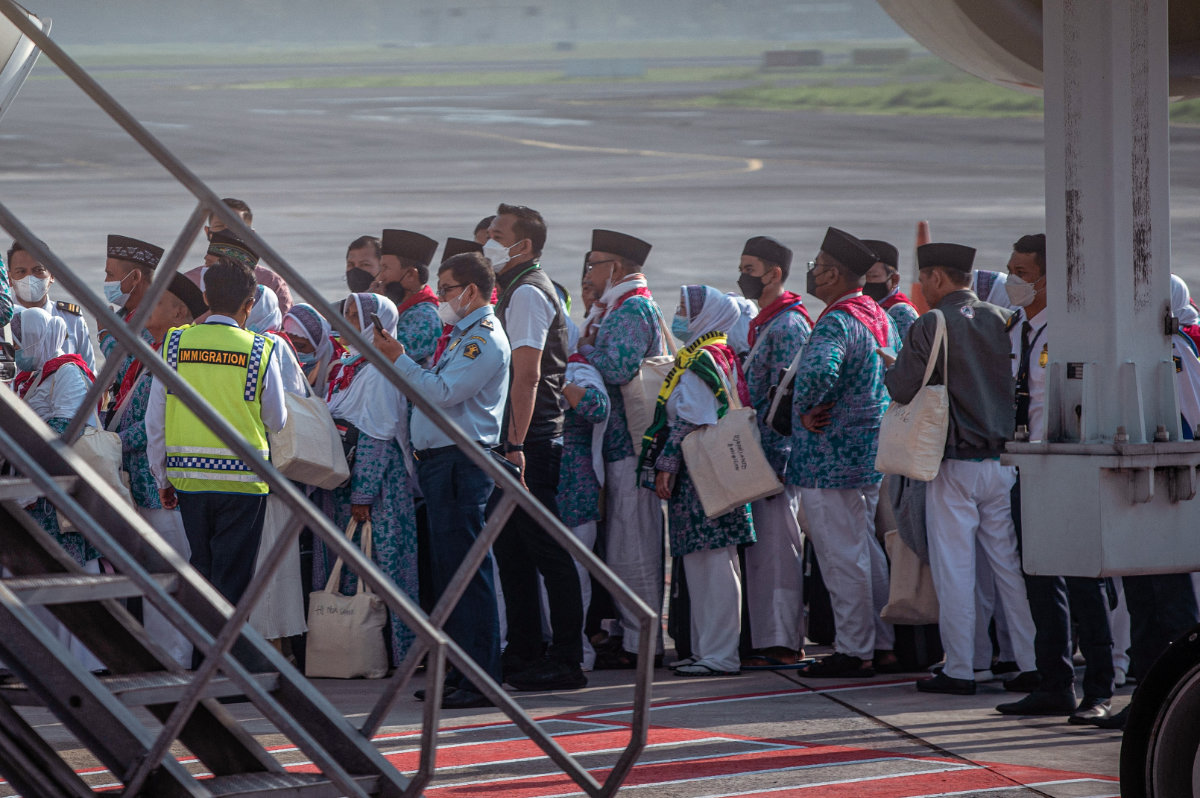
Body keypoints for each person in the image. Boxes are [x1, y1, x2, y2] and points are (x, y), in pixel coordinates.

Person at [882, 242, 1038, 696]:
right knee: (1008, 568)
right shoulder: (1003, 317)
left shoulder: (932, 322)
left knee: (955, 571)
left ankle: (963, 668)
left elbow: (902, 387)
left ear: (935, 277)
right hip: (1002, 462)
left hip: (954, 465)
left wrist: (893, 366)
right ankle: (1028, 662)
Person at [373, 251, 510, 710]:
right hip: (442, 463)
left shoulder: (483, 340)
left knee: (468, 574)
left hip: (460, 462)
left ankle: (481, 679)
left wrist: (399, 359)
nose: (444, 298)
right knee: (452, 574)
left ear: (472, 291)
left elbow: (442, 392)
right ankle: (462, 671)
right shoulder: (464, 335)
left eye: (449, 289)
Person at [995, 233, 1117, 723]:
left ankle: (1100, 689)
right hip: (1030, 465)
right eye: (1011, 270)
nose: (1012, 281)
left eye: (1022, 273)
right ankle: (1053, 682)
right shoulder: (1015, 330)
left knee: (1085, 579)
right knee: (1039, 577)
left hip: (1070, 466)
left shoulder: (1069, 333)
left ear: (1050, 278)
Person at [146, 257, 287, 609]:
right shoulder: (260, 349)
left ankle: (201, 657)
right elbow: (277, 419)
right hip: (243, 479)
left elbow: (155, 420)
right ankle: (225, 660)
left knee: (201, 571)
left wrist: (161, 477)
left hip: (189, 477)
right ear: (250, 304)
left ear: (205, 298)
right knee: (233, 580)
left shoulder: (175, 344)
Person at [485, 203, 585, 691]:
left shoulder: (527, 293)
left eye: (498, 234)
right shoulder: (516, 288)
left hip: (530, 438)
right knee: (512, 549)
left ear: (522, 245)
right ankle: (524, 649)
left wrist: (515, 443)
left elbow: (528, 374)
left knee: (545, 548)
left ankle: (566, 658)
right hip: (519, 435)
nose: (488, 239)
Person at [790, 227, 898, 679]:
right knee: (865, 549)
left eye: (817, 266)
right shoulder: (874, 312)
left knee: (841, 555)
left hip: (831, 455)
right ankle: (883, 641)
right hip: (869, 449)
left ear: (833, 273)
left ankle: (855, 649)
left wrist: (804, 407)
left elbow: (818, 371)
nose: (813, 273)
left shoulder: (835, 320)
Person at [645, 285, 756, 677]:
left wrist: (666, 464)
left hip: (704, 473)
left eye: (684, 309)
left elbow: (692, 416)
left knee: (713, 564)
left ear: (706, 316)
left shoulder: (703, 359)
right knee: (701, 564)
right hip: (701, 474)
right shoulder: (705, 353)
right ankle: (706, 649)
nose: (678, 316)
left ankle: (720, 654)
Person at [311, 293, 419, 667]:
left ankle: (401, 657)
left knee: (388, 571)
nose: (351, 320)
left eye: (360, 315)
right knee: (351, 576)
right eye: (347, 313)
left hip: (379, 490)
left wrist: (363, 494)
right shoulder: (345, 365)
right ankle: (349, 655)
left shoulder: (380, 370)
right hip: (344, 485)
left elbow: (378, 434)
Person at [576, 228, 667, 668]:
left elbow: (616, 365)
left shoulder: (631, 309)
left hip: (631, 446)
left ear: (617, 266)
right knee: (622, 545)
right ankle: (630, 635)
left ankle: (642, 642)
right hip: (616, 445)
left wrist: (578, 355)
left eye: (595, 262)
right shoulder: (616, 307)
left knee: (634, 546)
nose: (589, 271)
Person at [109, 273, 208, 668]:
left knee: (173, 571)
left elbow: (162, 422)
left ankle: (177, 657)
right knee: (152, 575)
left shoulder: (180, 352)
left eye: (159, 301)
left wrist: (115, 443)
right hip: (140, 479)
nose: (147, 306)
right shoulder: (150, 348)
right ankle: (159, 655)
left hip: (163, 483)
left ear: (181, 311)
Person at [11, 307, 104, 672]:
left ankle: (85, 660)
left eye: (23, 340)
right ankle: (49, 658)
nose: (18, 348)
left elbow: (69, 425)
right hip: (39, 486)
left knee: (71, 570)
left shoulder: (67, 372)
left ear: (41, 336)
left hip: (59, 488)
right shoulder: (35, 376)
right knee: (45, 574)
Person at [735, 236, 813, 669]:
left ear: (774, 273)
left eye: (750, 268)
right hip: (760, 456)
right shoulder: (768, 322)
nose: (744, 276)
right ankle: (769, 637)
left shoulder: (787, 327)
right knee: (765, 553)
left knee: (780, 552)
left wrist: (780, 458)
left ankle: (784, 640)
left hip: (776, 458)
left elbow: (789, 400)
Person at [554, 280, 610, 671]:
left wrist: (563, 384)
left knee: (574, 576)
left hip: (576, 489)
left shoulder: (578, 367)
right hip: (544, 489)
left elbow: (598, 408)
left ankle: (579, 654)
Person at [97, 234, 164, 410]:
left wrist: (104, 336)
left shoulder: (153, 320)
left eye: (110, 275)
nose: (106, 282)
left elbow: (133, 374)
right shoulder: (126, 314)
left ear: (135, 277)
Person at [7, 240, 94, 369]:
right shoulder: (4, 321)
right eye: (21, 272)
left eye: (38, 270)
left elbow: (89, 373)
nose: (30, 278)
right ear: (9, 279)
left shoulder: (72, 320)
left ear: (52, 275)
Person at [186, 215, 292, 316]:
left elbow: (283, 327)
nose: (204, 260)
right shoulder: (188, 281)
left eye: (211, 265)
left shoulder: (272, 283)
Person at [373, 229, 442, 366]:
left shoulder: (424, 316)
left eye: (386, 268)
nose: (380, 277)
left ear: (411, 275)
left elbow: (381, 358)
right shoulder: (403, 307)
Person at [861, 239, 919, 343]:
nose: (864, 282)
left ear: (894, 280)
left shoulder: (901, 314)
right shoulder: (859, 307)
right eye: (860, 276)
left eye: (872, 276)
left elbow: (908, 357)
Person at [283, 303, 340, 388]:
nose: (294, 350)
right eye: (289, 344)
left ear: (318, 344)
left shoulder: (336, 369)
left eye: (300, 346)